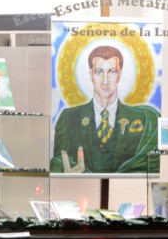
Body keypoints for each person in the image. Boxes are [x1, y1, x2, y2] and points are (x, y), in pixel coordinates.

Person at [50, 45, 160, 174]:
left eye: (112, 72)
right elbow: (57, 161)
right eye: (99, 72)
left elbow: (151, 166)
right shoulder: (69, 118)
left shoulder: (142, 119)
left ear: (120, 74)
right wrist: (64, 172)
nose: (105, 81)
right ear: (91, 74)